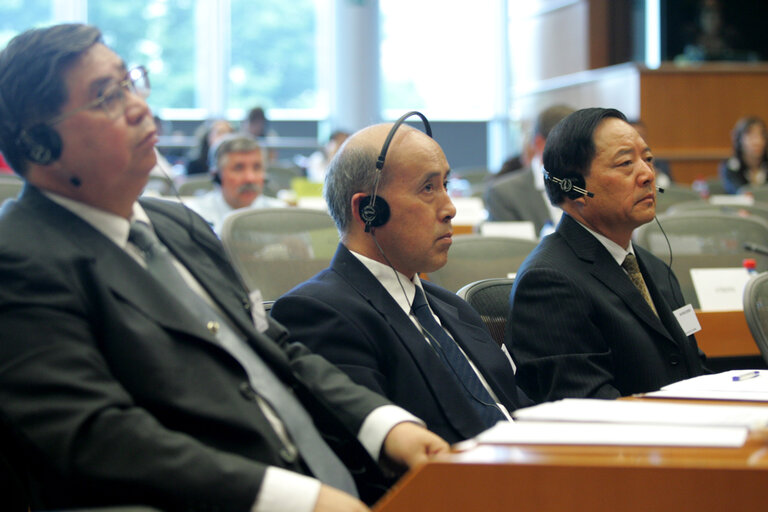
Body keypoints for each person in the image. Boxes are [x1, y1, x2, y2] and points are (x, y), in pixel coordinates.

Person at [0, 23, 448, 512]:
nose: (137, 107)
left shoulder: (179, 224)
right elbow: (98, 436)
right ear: (39, 145)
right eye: (106, 96)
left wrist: (383, 424)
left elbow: (274, 346)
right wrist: (292, 499)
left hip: (331, 481)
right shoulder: (19, 259)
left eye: (129, 82)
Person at [271, 114, 532, 445]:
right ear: (368, 210)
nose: (450, 208)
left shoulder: (452, 308)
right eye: (427, 188)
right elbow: (375, 464)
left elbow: (517, 410)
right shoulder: (320, 314)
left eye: (445, 186)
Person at [506, 107, 708, 404]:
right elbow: (588, 406)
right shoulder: (549, 282)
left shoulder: (654, 267)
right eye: (626, 163)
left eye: (648, 159)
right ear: (573, 186)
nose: (647, 174)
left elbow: (695, 370)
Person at [484, 104, 575, 237]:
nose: (576, 153)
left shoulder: (589, 187)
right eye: (569, 145)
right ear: (540, 144)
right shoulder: (504, 193)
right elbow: (507, 254)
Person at [185, 134, 286, 234]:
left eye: (257, 167)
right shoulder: (196, 217)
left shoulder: (282, 216)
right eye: (238, 168)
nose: (250, 178)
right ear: (217, 176)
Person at [718, 116, 768, 194]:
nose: (757, 141)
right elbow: (738, 192)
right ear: (739, 139)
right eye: (751, 136)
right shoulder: (731, 166)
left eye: (761, 135)